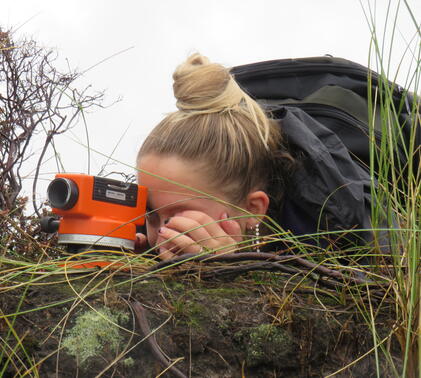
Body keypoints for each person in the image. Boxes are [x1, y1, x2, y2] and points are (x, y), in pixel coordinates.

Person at [136, 53, 372, 260]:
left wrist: (230, 269)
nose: (159, 237)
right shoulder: (146, 239)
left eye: (176, 217)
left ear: (252, 208)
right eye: (151, 215)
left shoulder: (330, 239)